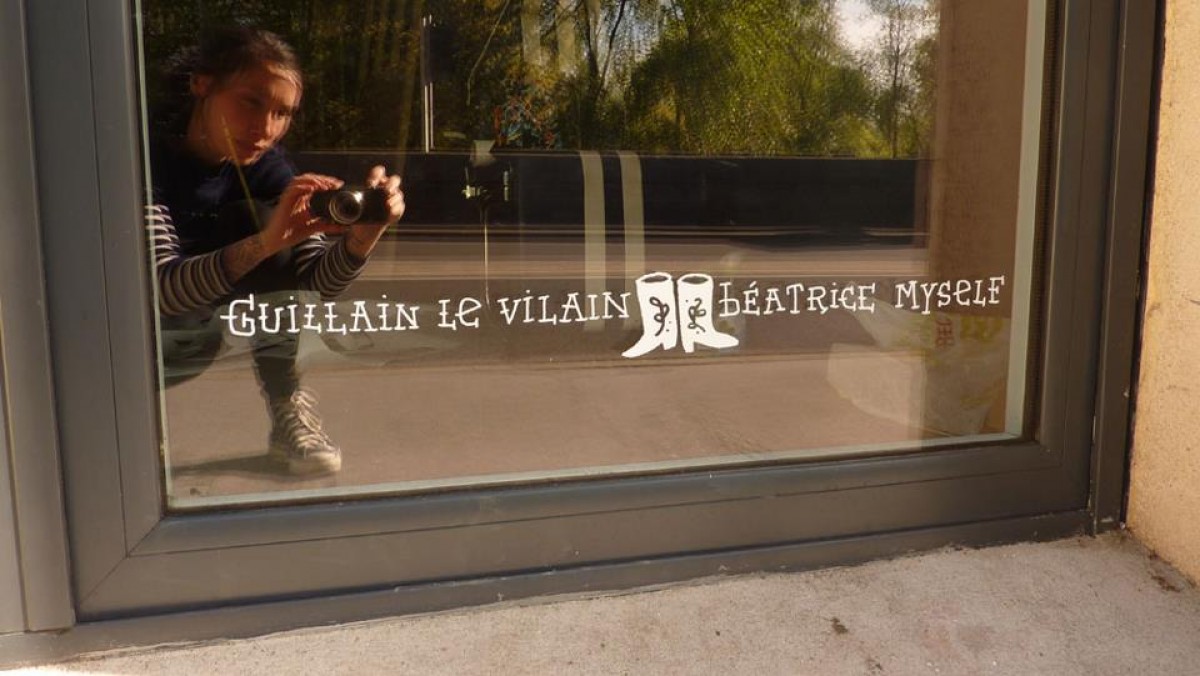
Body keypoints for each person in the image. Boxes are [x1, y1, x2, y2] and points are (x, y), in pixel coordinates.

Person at [146, 27, 405, 476]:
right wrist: (268, 242)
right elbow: (159, 293)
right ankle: (121, 416)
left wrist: (362, 238)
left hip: (195, 331)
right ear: (202, 85)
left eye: (282, 113)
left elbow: (313, 288)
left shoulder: (267, 166)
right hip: (115, 338)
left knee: (262, 217)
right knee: (263, 231)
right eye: (251, 102)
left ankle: (288, 404)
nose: (265, 129)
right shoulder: (142, 155)